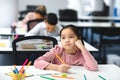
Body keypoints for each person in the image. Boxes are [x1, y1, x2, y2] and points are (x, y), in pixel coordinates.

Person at [33, 25, 98, 72]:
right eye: (63, 38)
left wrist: (82, 48)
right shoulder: (57, 51)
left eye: (71, 37)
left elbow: (94, 67)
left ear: (78, 38)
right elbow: (37, 62)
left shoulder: (81, 53)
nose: (67, 40)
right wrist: (57, 68)